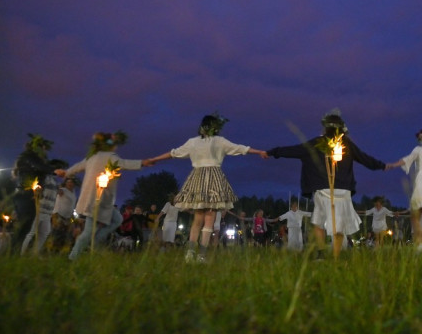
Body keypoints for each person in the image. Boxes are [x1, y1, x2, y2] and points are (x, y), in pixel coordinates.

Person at [266, 109, 388, 259]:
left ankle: (321, 253)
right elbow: (364, 158)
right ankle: (335, 256)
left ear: (325, 127)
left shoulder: (318, 142)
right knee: (338, 226)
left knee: (319, 223)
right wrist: (382, 165)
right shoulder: (346, 144)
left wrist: (272, 152)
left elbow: (294, 150)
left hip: (323, 189)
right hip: (342, 190)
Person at [145, 114, 267, 263]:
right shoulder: (218, 141)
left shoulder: (194, 142)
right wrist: (259, 151)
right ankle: (200, 255)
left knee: (198, 219)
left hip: (198, 179)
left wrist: (154, 160)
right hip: (214, 179)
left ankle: (191, 254)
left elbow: (173, 153)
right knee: (208, 220)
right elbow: (240, 148)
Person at [58, 131, 148, 260]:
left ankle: (96, 239)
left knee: (117, 219)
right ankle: (73, 257)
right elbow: (125, 163)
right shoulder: (110, 156)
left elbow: (78, 167)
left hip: (98, 201)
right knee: (88, 231)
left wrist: (66, 172)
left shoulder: (92, 157)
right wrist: (143, 163)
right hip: (98, 200)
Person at [11, 134, 58, 248]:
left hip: (29, 196)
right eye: (43, 148)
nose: (45, 151)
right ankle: (14, 254)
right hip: (26, 195)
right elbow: (42, 167)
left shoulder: (31, 159)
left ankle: (16, 255)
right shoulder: (29, 157)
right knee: (25, 229)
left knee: (26, 229)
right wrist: (55, 170)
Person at [50, 177, 77, 253]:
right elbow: (57, 190)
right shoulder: (63, 190)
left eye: (71, 182)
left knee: (64, 234)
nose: (70, 184)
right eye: (68, 182)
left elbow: (72, 206)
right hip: (59, 214)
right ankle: (51, 251)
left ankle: (58, 251)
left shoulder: (73, 193)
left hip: (68, 217)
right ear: (65, 183)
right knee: (57, 233)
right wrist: (58, 186)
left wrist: (72, 218)